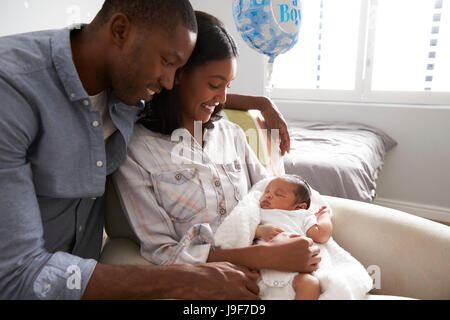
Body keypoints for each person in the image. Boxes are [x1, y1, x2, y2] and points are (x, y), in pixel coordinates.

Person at [0, 0, 291, 300]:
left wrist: (260, 103)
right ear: (120, 30)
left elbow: (192, 93)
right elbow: (17, 275)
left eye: (177, 69)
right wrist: (184, 279)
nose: (168, 82)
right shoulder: (12, 91)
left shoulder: (129, 84)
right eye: (167, 62)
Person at [113, 10, 322, 297]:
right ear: (177, 75)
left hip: (278, 270)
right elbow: (163, 253)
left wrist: (316, 222)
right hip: (216, 286)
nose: (223, 99)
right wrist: (263, 258)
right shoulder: (137, 151)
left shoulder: (231, 133)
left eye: (228, 86)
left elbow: (271, 193)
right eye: (214, 84)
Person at [255, 175, 332, 300]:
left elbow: (322, 235)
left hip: (294, 272)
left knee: (310, 284)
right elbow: (243, 230)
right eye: (267, 191)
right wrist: (259, 231)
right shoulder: (256, 211)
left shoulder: (301, 215)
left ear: (299, 206)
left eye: (279, 194)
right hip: (260, 269)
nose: (268, 195)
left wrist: (324, 216)